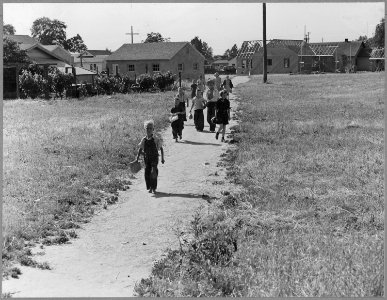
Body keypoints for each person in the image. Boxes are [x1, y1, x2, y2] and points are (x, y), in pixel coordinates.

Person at [136, 120, 165, 193]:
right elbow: (140, 149)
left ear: (153, 129)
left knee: (153, 172)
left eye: (150, 128)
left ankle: (154, 187)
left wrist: (162, 158)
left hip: (154, 158)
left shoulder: (156, 139)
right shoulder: (144, 139)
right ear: (145, 129)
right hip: (146, 159)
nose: (149, 130)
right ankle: (150, 187)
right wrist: (137, 159)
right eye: (147, 128)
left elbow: (161, 148)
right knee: (147, 172)